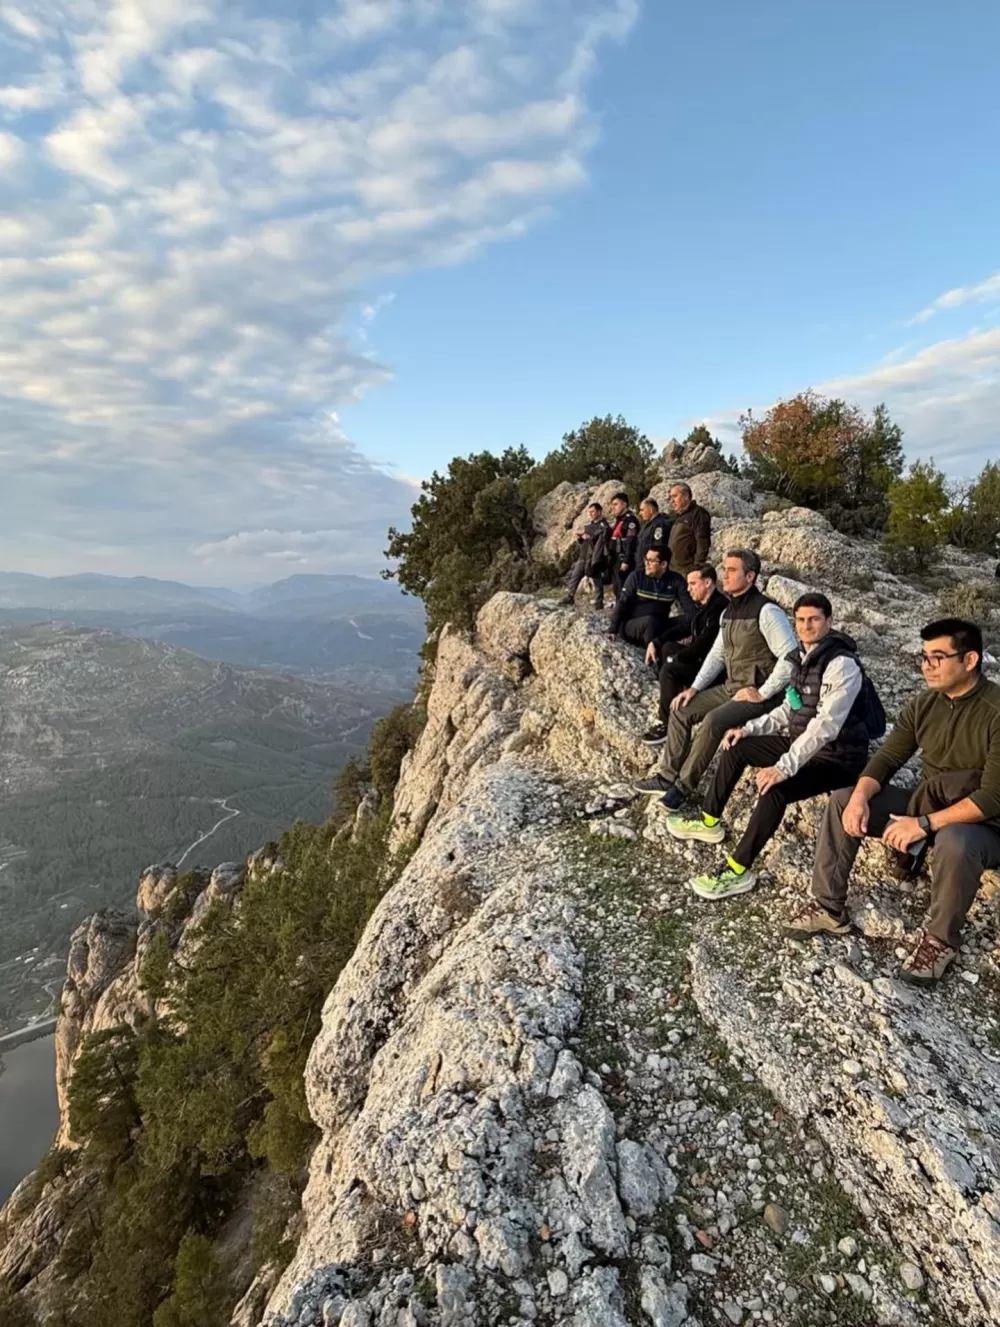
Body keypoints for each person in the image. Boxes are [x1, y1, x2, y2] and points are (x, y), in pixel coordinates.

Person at [784, 617, 1000, 986]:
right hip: (931, 803)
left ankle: (940, 941)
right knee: (844, 799)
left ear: (970, 660)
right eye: (924, 657)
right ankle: (828, 906)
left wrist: (923, 825)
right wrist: (860, 796)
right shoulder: (925, 704)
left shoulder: (994, 711)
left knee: (956, 840)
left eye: (938, 657)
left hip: (986, 825)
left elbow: (992, 797)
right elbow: (887, 758)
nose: (927, 666)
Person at [666, 593, 874, 900]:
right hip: (802, 743)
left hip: (838, 757)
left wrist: (783, 767)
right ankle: (709, 820)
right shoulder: (801, 659)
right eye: (800, 620)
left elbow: (826, 726)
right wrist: (749, 729)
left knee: (775, 789)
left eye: (814, 619)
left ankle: (738, 869)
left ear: (829, 622)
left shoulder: (841, 664)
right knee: (738, 745)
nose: (806, 626)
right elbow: (790, 708)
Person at [633, 549, 798, 809]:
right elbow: (717, 655)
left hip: (759, 694)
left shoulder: (767, 611)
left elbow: (791, 657)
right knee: (681, 709)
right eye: (724, 569)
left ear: (750, 576)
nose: (725, 575)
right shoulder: (728, 612)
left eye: (732, 570)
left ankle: (682, 788)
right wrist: (694, 688)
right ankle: (666, 777)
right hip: (732, 687)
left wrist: (763, 692)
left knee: (713, 721)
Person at [641, 565, 726, 745]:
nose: (688, 589)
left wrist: (677, 659)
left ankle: (666, 723)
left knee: (669, 669)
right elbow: (684, 627)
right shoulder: (702, 606)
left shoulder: (719, 608)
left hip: (712, 669)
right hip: (698, 660)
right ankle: (672, 691)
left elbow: (705, 643)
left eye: (693, 584)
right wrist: (656, 642)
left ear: (707, 583)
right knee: (667, 648)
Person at [608, 547, 693, 649]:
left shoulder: (675, 580)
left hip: (660, 624)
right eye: (646, 559)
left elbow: (690, 608)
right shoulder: (636, 577)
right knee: (650, 622)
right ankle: (653, 653)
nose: (646, 563)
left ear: (663, 564)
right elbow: (622, 603)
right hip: (632, 625)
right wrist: (612, 629)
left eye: (651, 561)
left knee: (692, 619)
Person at [560, 501, 611, 609]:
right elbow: (585, 542)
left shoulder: (604, 526)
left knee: (597, 580)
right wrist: (580, 539)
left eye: (593, 511)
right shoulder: (588, 526)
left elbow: (602, 539)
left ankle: (599, 603)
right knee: (575, 576)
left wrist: (589, 537)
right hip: (583, 556)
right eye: (589, 512)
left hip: (595, 558)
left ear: (599, 512)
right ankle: (570, 596)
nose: (591, 514)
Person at [667, 482, 712, 577]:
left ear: (686, 496)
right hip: (673, 571)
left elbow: (702, 544)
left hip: (687, 572)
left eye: (675, 496)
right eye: (671, 497)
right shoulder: (677, 516)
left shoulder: (698, 514)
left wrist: (696, 569)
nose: (672, 501)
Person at [608, 492, 641, 601]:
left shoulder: (630, 521)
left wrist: (626, 561)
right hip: (615, 559)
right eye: (612, 505)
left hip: (623, 559)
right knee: (617, 588)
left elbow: (630, 542)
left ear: (624, 504)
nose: (613, 507)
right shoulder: (620, 520)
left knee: (623, 588)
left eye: (616, 504)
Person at [637, 496, 673, 563]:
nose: (640, 513)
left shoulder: (659, 525)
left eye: (642, 510)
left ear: (651, 510)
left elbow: (658, 548)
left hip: (650, 564)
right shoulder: (646, 525)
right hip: (641, 564)